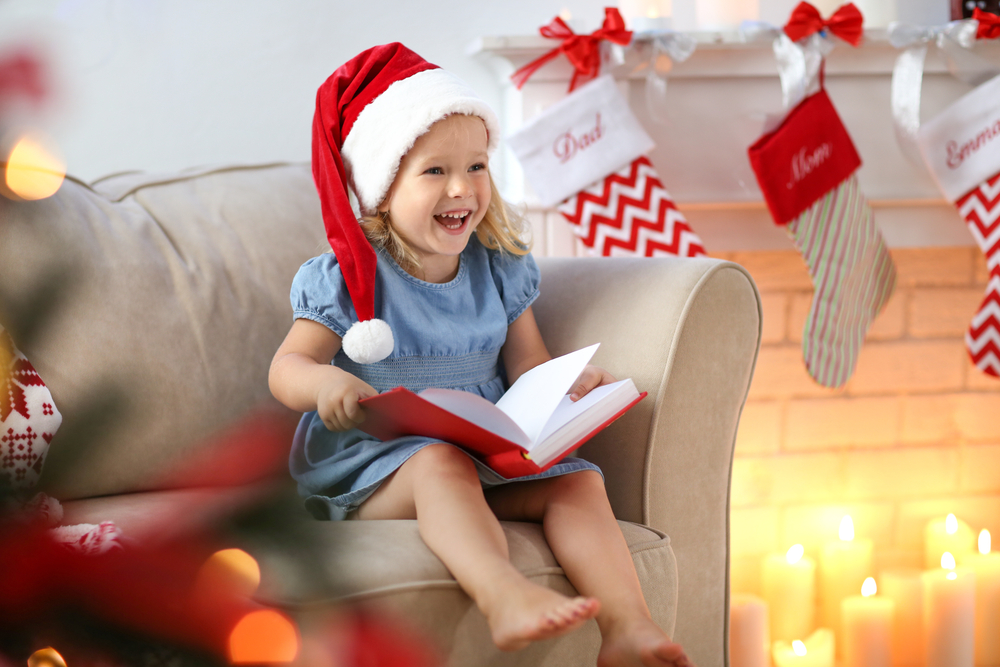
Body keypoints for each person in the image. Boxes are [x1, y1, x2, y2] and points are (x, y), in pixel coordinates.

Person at [268, 43, 693, 667]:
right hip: (377, 466)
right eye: (435, 171)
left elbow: (527, 366)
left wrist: (568, 384)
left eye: (476, 166)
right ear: (383, 188)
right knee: (439, 463)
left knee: (576, 481)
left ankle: (629, 629)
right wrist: (324, 386)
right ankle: (503, 596)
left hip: (484, 452)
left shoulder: (497, 270)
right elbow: (287, 367)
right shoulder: (346, 278)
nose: (462, 187)